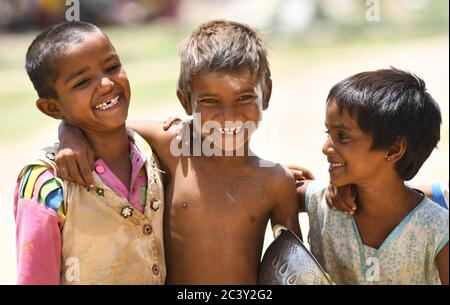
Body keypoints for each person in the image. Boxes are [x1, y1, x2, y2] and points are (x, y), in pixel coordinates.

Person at [57, 20, 301, 284]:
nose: (229, 116)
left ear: (266, 94)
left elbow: (296, 269)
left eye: (244, 98)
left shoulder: (276, 182)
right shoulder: (174, 147)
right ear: (186, 101)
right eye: (210, 101)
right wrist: (69, 135)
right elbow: (104, 126)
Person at [14, 21, 166, 284]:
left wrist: (69, 131)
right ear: (51, 108)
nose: (107, 84)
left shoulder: (152, 153)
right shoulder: (46, 185)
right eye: (82, 82)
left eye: (112, 67)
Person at [295, 68, 449, 284]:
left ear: (393, 150)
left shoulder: (437, 229)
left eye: (343, 136)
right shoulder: (323, 203)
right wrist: (280, 174)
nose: (326, 148)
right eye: (328, 134)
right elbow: (266, 189)